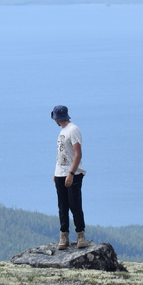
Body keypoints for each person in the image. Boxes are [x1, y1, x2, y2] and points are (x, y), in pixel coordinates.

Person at [51, 105, 91, 249]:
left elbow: (78, 153)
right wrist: (57, 173)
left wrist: (71, 174)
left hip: (72, 173)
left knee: (75, 205)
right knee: (62, 206)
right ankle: (64, 237)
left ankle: (80, 236)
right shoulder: (63, 131)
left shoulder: (73, 130)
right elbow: (61, 154)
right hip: (61, 173)